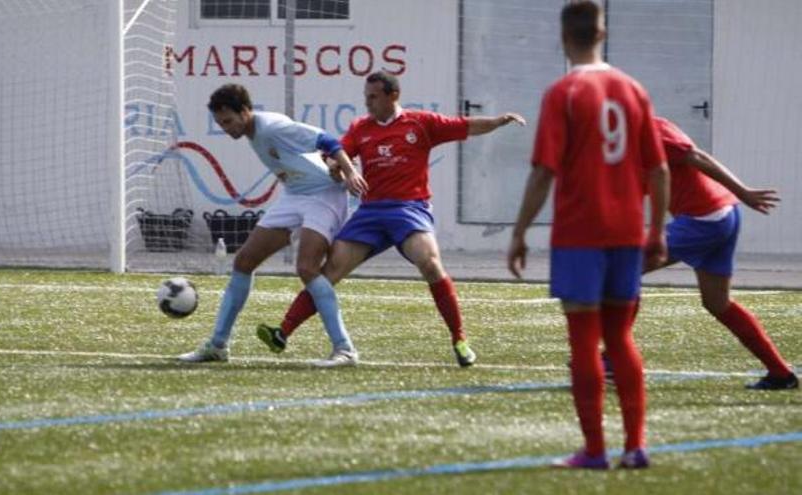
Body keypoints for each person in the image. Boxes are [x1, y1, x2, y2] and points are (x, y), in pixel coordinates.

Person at [255, 70, 526, 367]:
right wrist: (336, 167)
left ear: (392, 95)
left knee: (430, 263)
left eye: (373, 97)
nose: (368, 103)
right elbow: (337, 154)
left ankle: (459, 339)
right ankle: (283, 332)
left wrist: (499, 121)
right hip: (370, 213)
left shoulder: (421, 123)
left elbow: (466, 125)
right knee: (329, 271)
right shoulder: (361, 128)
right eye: (366, 97)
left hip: (409, 210)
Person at [507, 1, 668, 469]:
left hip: (580, 232)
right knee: (620, 339)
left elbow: (543, 171)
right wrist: (655, 228)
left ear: (564, 38)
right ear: (602, 34)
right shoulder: (633, 89)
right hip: (626, 230)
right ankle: (636, 445)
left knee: (583, 342)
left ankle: (595, 450)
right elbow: (658, 169)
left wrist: (519, 232)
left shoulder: (564, 92)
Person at [178, 83, 368, 367]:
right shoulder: (253, 133)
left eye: (228, 121)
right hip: (294, 195)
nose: (226, 128)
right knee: (243, 261)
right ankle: (218, 345)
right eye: (220, 123)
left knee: (306, 268)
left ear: (245, 112)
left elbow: (328, 141)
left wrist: (351, 173)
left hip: (324, 195)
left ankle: (345, 349)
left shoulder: (273, 127)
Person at [637, 117, 796, 390]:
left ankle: (612, 361)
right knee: (717, 303)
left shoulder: (648, 129)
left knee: (622, 270)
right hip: (720, 214)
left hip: (706, 218)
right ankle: (781, 374)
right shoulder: (616, 142)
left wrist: (743, 191)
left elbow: (697, 156)